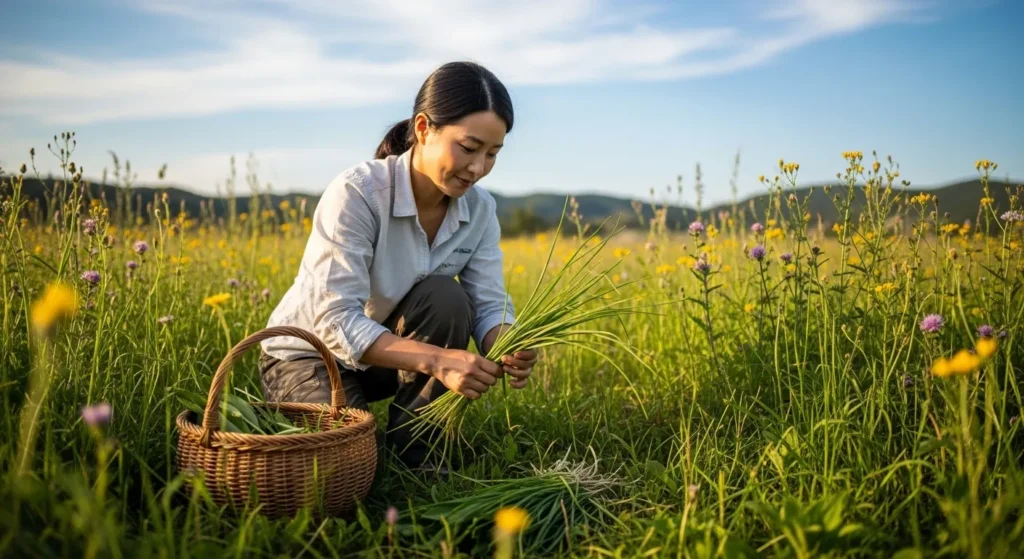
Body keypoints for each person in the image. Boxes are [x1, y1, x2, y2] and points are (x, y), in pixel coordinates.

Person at [258, 61, 538, 470]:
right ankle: (352, 440)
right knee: (351, 466)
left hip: (384, 359)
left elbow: (488, 303)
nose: (478, 168)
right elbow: (334, 320)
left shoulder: (480, 210)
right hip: (309, 356)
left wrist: (506, 343)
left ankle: (420, 457)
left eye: (493, 154)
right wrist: (440, 360)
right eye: (469, 147)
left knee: (446, 296)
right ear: (424, 129)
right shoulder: (358, 193)